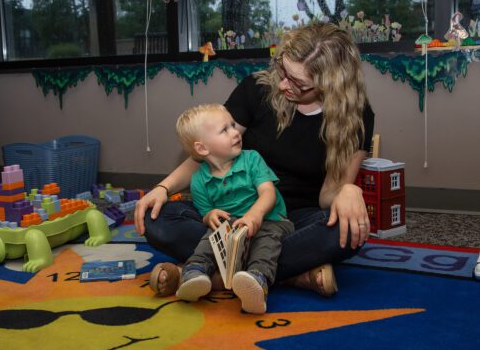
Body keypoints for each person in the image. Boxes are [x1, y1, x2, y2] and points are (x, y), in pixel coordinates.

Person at [136, 22, 374, 298]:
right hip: (231, 212)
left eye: (297, 83)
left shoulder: (356, 117)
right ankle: (287, 274)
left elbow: (328, 197)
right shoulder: (256, 89)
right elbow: (208, 153)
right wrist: (162, 189)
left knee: (347, 232)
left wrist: (348, 190)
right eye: (283, 70)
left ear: (331, 84)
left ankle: (213, 271)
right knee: (158, 218)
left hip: (290, 222)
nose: (283, 83)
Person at [169, 104, 294, 314]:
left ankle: (256, 280)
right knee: (211, 236)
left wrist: (255, 215)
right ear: (202, 149)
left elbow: (268, 193)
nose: (236, 132)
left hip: (269, 220)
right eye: (224, 130)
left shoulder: (252, 159)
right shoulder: (199, 179)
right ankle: (195, 272)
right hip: (232, 228)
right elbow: (205, 211)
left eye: (233, 125)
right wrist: (210, 216)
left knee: (267, 243)